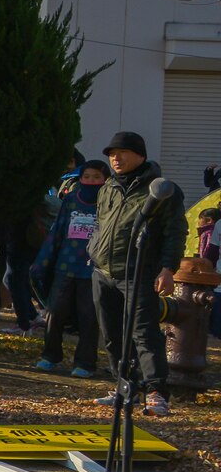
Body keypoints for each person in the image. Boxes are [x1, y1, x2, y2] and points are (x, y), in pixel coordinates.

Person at [88, 131, 186, 418]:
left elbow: (175, 232)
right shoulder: (108, 187)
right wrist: (93, 250)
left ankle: (156, 391)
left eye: (122, 152)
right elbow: (101, 223)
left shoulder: (161, 189)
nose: (115, 158)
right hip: (103, 270)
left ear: (140, 155)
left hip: (139, 272)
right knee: (111, 333)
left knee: (144, 332)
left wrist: (168, 269)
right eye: (111, 153)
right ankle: (124, 385)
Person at [33, 159, 105, 377]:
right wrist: (44, 260)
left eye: (97, 178)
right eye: (87, 177)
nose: (91, 182)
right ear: (80, 179)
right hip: (65, 264)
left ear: (105, 180)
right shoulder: (71, 199)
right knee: (55, 313)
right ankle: (50, 355)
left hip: (92, 269)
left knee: (89, 317)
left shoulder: (109, 203)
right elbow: (58, 230)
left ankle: (85, 362)